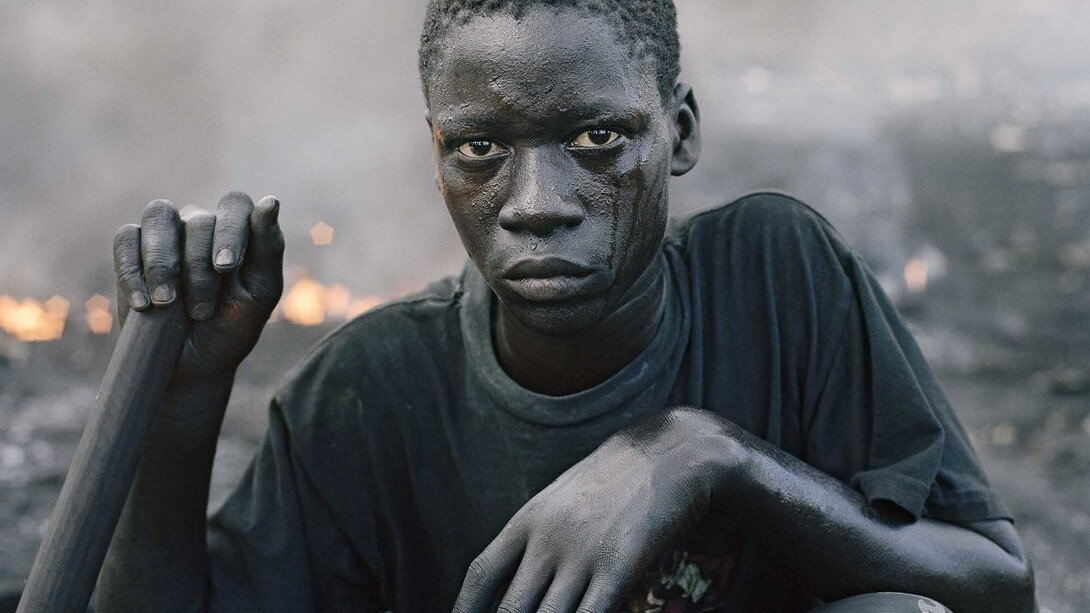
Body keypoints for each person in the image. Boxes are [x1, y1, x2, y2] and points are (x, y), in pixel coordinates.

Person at [96, 1, 1036, 611]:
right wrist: (179, 408)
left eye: (595, 139)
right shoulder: (368, 391)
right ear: (436, 151)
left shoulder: (776, 278)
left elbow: (997, 586)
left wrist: (711, 456)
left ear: (679, 132)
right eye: (480, 148)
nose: (536, 203)